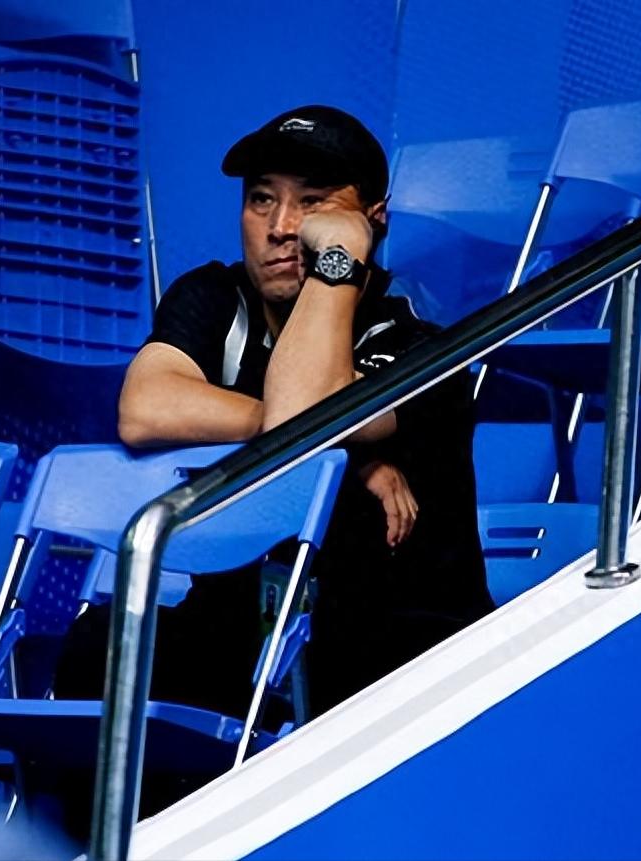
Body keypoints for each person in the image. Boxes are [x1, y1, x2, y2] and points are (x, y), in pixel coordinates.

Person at [55, 105, 494, 729]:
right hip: (256, 628)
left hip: (402, 650)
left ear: (373, 218)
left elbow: (301, 416)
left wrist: (339, 260)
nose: (282, 227)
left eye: (313, 203)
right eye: (261, 199)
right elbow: (144, 409)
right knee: (101, 647)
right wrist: (350, 455)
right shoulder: (216, 297)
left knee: (324, 652)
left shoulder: (423, 346)